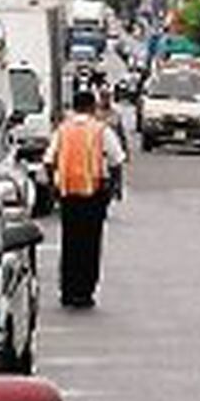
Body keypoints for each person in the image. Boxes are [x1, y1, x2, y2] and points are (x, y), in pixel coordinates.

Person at [45, 90, 126, 308]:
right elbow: (116, 161)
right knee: (90, 245)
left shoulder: (63, 130)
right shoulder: (101, 130)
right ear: (92, 107)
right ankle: (85, 292)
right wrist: (115, 189)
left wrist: (55, 184)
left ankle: (68, 291)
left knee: (70, 244)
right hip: (93, 194)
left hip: (68, 194)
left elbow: (48, 160)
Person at [95, 85, 128, 201]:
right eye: (103, 97)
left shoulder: (115, 114)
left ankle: (117, 188)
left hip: (113, 147)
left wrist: (125, 149)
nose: (106, 99)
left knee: (117, 167)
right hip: (97, 147)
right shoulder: (95, 113)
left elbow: (121, 132)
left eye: (108, 97)